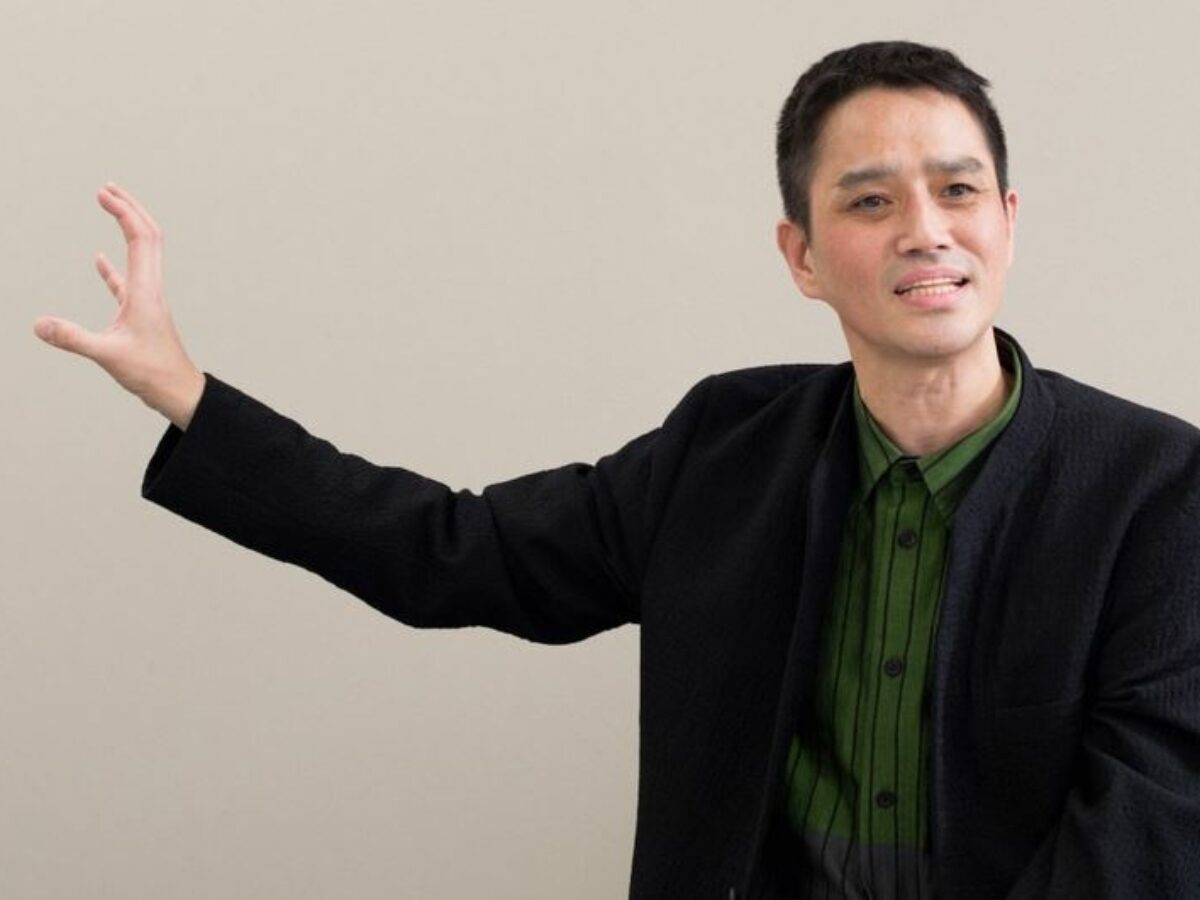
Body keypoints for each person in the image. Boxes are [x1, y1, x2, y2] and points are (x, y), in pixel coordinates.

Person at [33, 40, 1200, 899]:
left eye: (957, 190)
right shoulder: (724, 449)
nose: (926, 229)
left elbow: (1145, 832)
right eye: (870, 200)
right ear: (801, 255)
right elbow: (451, 552)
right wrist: (187, 393)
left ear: (1007, 219)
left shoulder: (1156, 489)